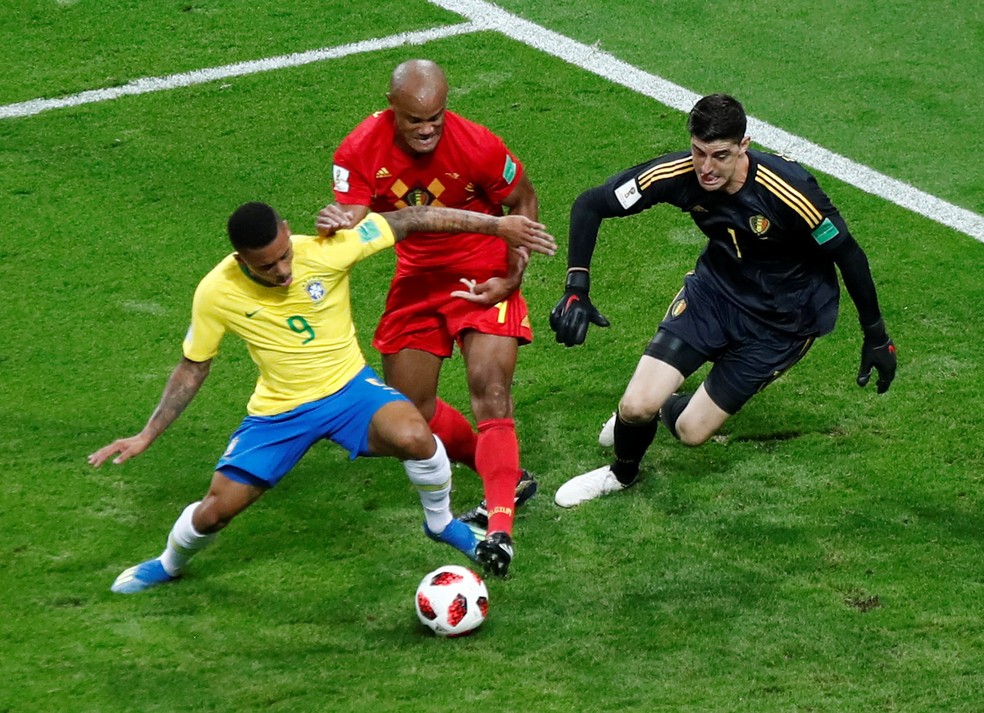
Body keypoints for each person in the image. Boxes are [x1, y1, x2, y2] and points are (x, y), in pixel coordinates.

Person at [88, 201, 555, 593]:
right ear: (241, 259)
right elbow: (194, 366)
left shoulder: (329, 251)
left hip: (350, 392)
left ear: (289, 234)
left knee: (416, 433)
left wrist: (497, 225)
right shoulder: (216, 292)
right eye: (267, 266)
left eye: (285, 255)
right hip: (280, 413)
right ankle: (169, 564)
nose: (284, 271)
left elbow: (409, 219)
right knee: (214, 512)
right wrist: (148, 434)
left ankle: (441, 523)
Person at [550, 93, 897, 507]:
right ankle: (621, 473)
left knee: (692, 432)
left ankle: (667, 408)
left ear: (744, 147)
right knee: (636, 404)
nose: (706, 168)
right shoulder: (678, 173)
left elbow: (848, 254)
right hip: (715, 296)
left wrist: (876, 335)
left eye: (720, 155)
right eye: (699, 152)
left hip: (784, 322)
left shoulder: (790, 190)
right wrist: (576, 287)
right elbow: (592, 204)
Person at [324, 59, 542, 576]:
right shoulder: (358, 149)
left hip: (484, 265)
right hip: (418, 278)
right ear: (391, 107)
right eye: (415, 121)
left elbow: (522, 200)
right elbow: (353, 213)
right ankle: (502, 473)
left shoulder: (478, 145)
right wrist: (337, 220)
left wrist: (512, 278)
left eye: (436, 119)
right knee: (412, 410)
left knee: (490, 388)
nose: (427, 130)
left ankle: (500, 528)